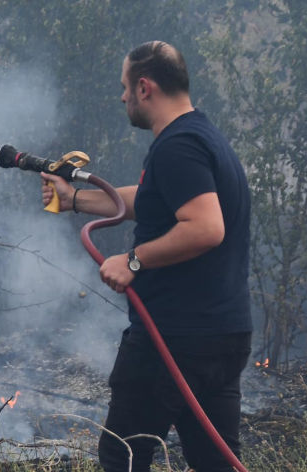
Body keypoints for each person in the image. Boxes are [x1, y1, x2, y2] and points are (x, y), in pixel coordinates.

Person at [40, 41, 252, 472]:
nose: (121, 97)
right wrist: (75, 199)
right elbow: (153, 200)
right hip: (222, 336)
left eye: (124, 87)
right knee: (215, 463)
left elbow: (206, 227)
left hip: (173, 338)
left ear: (144, 87)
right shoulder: (200, 136)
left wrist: (133, 260)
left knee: (122, 455)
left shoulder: (178, 147)